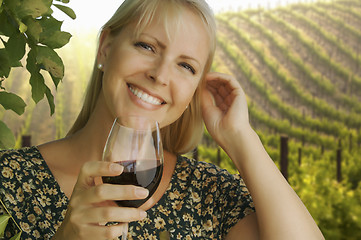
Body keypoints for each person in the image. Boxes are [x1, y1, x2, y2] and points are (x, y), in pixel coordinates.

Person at [0, 0, 325, 239]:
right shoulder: (7, 179)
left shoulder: (210, 193)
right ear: (106, 47)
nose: (159, 75)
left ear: (194, 90)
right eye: (146, 46)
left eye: (186, 66)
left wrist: (241, 138)